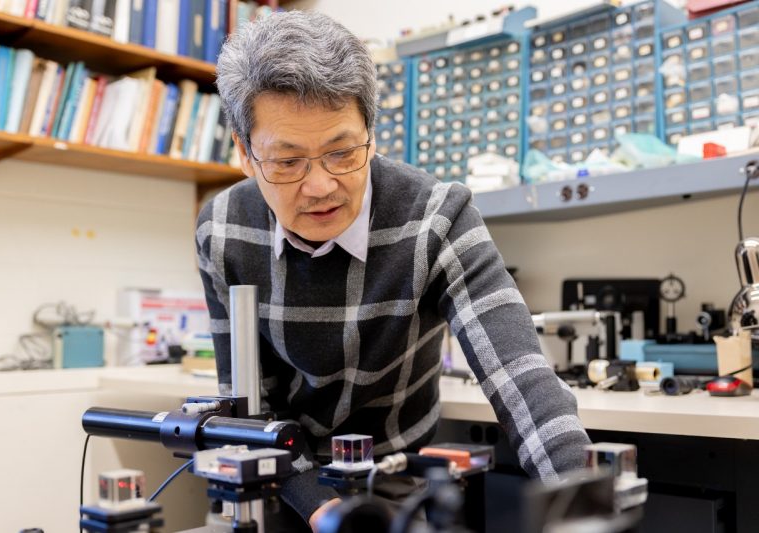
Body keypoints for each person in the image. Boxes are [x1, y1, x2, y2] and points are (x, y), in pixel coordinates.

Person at [196, 9, 591, 531]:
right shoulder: (223, 230)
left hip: (401, 479)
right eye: (288, 161)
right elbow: (247, 409)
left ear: (372, 136)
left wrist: (585, 505)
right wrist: (318, 506)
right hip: (279, 483)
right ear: (245, 155)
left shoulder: (438, 216)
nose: (320, 186)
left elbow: (520, 377)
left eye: (342, 152)